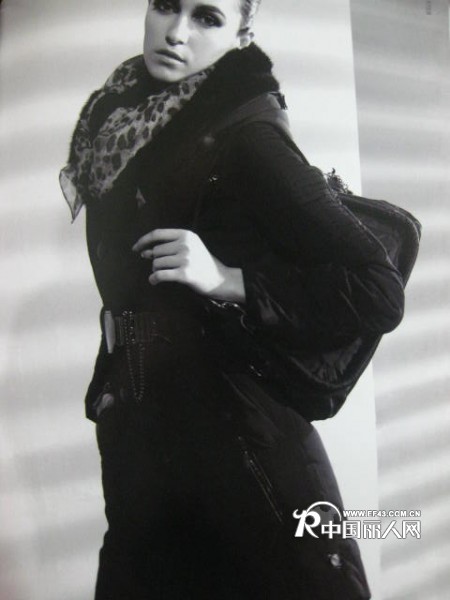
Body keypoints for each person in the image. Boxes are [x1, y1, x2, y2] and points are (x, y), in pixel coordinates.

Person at [60, 0, 405, 598]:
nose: (176, 32)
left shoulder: (247, 132)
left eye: (207, 17)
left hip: (237, 435)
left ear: (242, 32)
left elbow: (378, 288)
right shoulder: (114, 122)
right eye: (166, 6)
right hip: (142, 424)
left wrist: (229, 278)